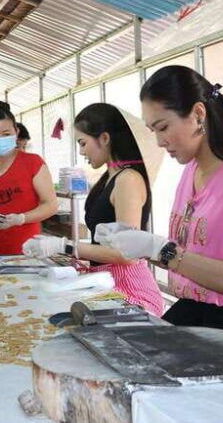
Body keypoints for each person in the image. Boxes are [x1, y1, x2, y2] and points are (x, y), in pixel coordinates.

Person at [98, 66, 223, 339]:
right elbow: (189, 255)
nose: (160, 141)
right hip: (190, 314)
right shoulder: (190, 171)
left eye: (163, 127)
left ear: (198, 114)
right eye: (153, 131)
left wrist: (162, 250)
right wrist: (141, 244)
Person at [72, 103, 163, 316]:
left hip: (129, 287)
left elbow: (126, 253)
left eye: (83, 143)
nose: (81, 151)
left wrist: (69, 248)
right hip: (106, 280)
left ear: (104, 139)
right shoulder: (108, 177)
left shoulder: (128, 180)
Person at [0, 101, 58, 255]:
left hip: (28, 252)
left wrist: (21, 218)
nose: (0, 139)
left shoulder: (33, 163)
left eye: (6, 134)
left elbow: (51, 205)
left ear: (16, 132)